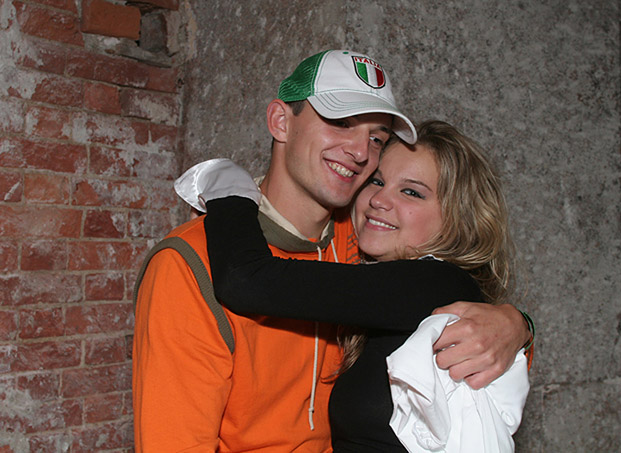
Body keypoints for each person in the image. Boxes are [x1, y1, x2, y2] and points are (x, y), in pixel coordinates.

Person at [133, 49, 532, 452]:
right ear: (281, 121)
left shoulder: (363, 246)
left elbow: (475, 354)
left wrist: (516, 327)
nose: (361, 152)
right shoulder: (191, 264)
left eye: (376, 139)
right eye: (340, 122)